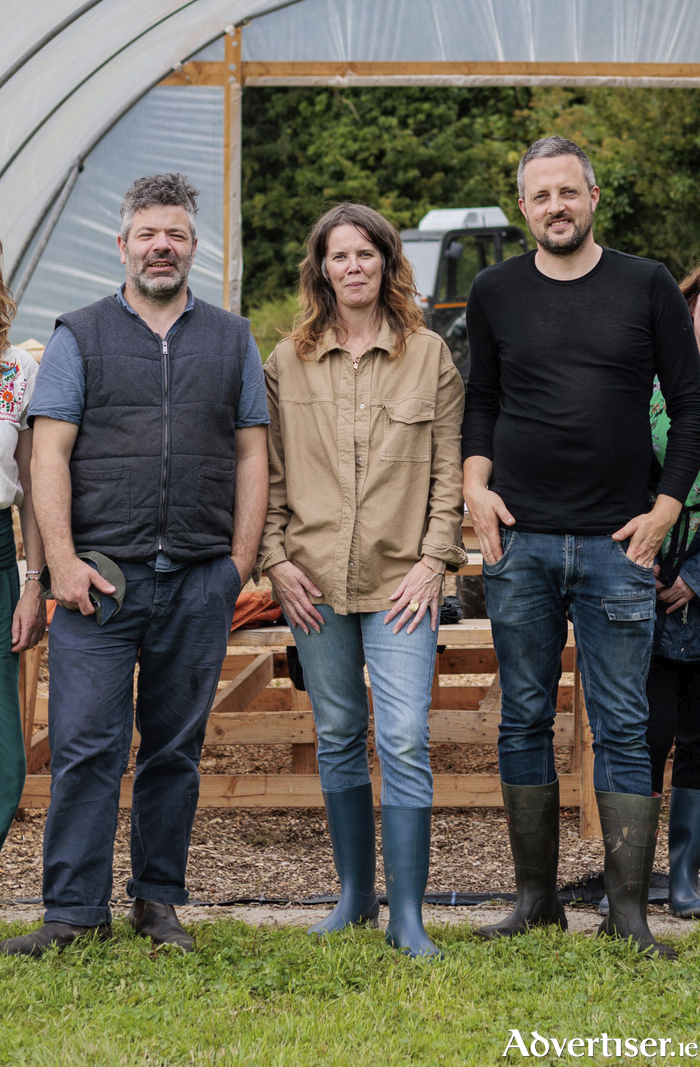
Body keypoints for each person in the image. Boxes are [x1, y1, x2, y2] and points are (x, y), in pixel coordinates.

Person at [0, 174, 269, 957]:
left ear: (194, 247)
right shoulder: (78, 334)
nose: (161, 246)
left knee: (173, 748)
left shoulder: (232, 339)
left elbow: (252, 453)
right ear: (122, 245)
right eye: (148, 234)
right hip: (100, 583)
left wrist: (236, 563)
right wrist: (61, 564)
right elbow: (48, 453)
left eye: (175, 234)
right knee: (85, 743)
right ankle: (72, 911)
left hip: (198, 578)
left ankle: (158, 901)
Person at [462, 136, 700, 958]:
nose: (555, 206)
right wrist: (475, 485)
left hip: (617, 547)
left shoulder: (647, 284)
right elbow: (482, 399)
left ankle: (627, 912)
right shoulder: (494, 290)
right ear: (523, 207)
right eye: (541, 195)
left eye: (568, 191)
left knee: (625, 725)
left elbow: (691, 405)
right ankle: (535, 900)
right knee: (523, 718)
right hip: (520, 542)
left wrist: (664, 510)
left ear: (593, 197)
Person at [256, 203, 466, 958]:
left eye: (366, 254)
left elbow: (448, 474)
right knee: (339, 731)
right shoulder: (286, 362)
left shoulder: (429, 356)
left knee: (404, 736)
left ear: (387, 263)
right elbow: (269, 472)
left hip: (402, 581)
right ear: (321, 268)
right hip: (311, 581)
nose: (353, 267)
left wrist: (434, 562)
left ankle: (407, 914)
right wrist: (275, 559)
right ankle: (354, 897)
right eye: (339, 255)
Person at [644, 264, 700, 919]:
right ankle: (633, 873)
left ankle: (685, 876)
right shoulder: (648, 387)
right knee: (647, 732)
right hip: (648, 577)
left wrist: (698, 576)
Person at [0, 243, 46, 854]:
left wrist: (34, 581)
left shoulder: (18, 370)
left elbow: (35, 488)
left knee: (4, 751)